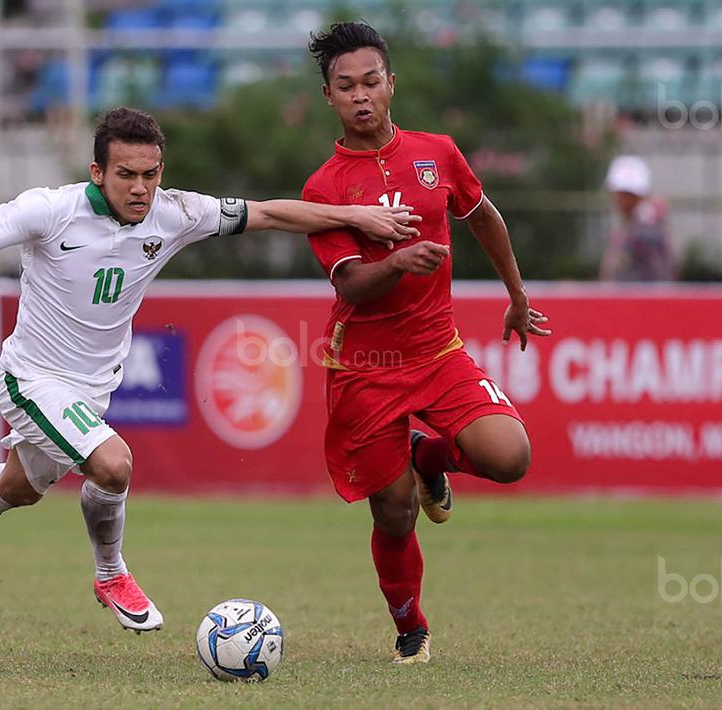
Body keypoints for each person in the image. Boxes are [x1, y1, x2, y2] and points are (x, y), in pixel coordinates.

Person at [0, 106, 420, 632]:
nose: (140, 188)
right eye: (126, 174)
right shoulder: (50, 209)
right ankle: (110, 574)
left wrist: (355, 217)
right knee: (113, 465)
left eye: (150, 174)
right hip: (30, 379)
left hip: (91, 389)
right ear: (98, 172)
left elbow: (270, 214)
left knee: (20, 489)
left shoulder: (176, 213)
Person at [302, 22, 552, 664]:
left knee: (511, 457)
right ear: (328, 95)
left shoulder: (436, 152)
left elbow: (483, 216)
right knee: (393, 513)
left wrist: (517, 296)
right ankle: (410, 626)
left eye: (371, 82)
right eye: (345, 86)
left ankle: (428, 457)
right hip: (364, 367)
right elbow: (351, 285)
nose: (361, 96)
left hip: (436, 351)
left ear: (392, 83)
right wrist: (397, 262)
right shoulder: (324, 188)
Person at [600, 155, 675, 282]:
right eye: (620, 193)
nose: (621, 199)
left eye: (628, 194)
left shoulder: (647, 231)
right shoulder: (629, 226)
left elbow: (659, 277)